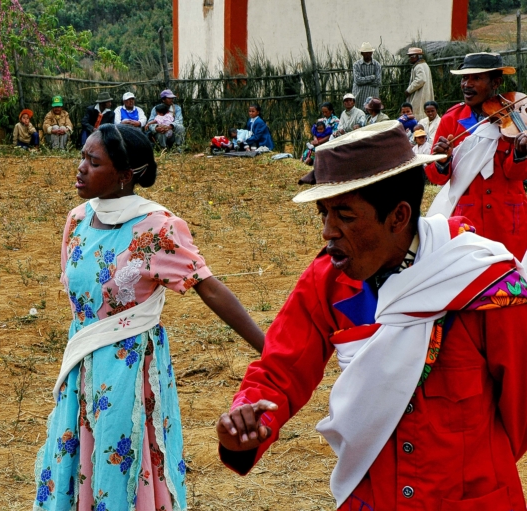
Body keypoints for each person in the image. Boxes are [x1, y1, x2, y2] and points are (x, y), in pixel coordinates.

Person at [218, 120, 527, 510]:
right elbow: (280, 369)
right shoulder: (329, 282)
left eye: (345, 216)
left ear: (398, 217)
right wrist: (248, 419)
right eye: (323, 214)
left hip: (472, 498)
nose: (328, 231)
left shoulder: (484, 283)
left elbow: (520, 408)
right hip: (373, 496)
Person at [34, 124, 265, 510]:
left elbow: (208, 287)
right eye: (82, 157)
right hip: (82, 362)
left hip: (129, 368)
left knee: (122, 455)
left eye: (94, 162)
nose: (81, 168)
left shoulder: (157, 227)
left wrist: (270, 350)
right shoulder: (77, 220)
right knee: (80, 453)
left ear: (125, 175)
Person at [426, 52, 527, 259]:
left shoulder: (516, 117)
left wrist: (521, 152)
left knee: (511, 274)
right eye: (465, 78)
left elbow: (515, 173)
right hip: (467, 218)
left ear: (496, 82)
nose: (467, 84)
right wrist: (442, 161)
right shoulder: (451, 119)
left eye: (476, 78)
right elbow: (436, 177)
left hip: (507, 218)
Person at [405, 47, 434, 121]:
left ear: (416, 56)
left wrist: (409, 90)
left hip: (419, 95)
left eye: (411, 56)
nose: (409, 59)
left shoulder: (418, 66)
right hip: (424, 93)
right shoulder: (424, 65)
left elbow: (420, 80)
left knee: (417, 114)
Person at [352, 42, 382, 110]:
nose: (368, 54)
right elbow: (358, 80)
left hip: (373, 96)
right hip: (359, 96)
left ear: (372, 53)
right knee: (359, 112)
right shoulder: (356, 65)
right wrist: (372, 77)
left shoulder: (377, 65)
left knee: (373, 112)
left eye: (369, 52)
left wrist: (364, 80)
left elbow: (378, 82)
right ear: (362, 53)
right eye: (366, 52)